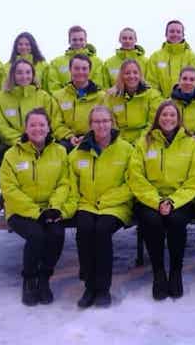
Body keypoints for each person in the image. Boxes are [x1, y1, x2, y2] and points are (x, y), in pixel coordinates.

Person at [128, 101, 195, 300]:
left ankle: (176, 272)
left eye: (172, 115)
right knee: (151, 222)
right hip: (150, 198)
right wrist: (156, 201)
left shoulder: (190, 143)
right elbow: (136, 177)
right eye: (164, 115)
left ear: (179, 119)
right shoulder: (144, 142)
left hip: (179, 198)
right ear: (157, 118)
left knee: (177, 221)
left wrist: (172, 201)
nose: (168, 119)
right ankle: (159, 272)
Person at [0, 108, 71, 306]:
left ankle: (44, 278)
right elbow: (9, 189)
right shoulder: (12, 155)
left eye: (42, 124)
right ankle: (29, 278)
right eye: (33, 125)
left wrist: (54, 207)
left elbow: (64, 182)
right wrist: (36, 212)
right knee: (37, 235)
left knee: (56, 234)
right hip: (21, 211)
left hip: (50, 208)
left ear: (48, 128)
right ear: (26, 128)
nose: (37, 128)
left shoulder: (60, 151)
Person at [68, 106, 135, 308]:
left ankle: (103, 288)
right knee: (85, 229)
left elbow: (132, 183)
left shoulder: (126, 149)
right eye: (97, 121)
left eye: (105, 121)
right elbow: (70, 183)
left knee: (102, 230)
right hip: (87, 203)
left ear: (112, 123)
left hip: (115, 205)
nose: (101, 125)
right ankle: (89, 286)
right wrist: (75, 204)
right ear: (90, 125)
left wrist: (106, 201)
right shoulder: (79, 152)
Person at [0, 59, 65, 152]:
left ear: (33, 75)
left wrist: (40, 139)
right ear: (13, 75)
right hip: (11, 145)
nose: (24, 76)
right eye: (19, 73)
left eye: (28, 72)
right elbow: (2, 127)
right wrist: (21, 141)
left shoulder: (44, 96)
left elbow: (54, 120)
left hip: (41, 143)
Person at [52, 54, 106, 152]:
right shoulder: (58, 96)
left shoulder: (102, 97)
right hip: (67, 141)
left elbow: (106, 122)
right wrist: (69, 136)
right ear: (70, 70)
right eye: (76, 68)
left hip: (95, 140)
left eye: (84, 68)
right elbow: (56, 123)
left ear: (89, 71)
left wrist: (90, 136)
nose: (80, 72)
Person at [104, 59, 163, 143]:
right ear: (121, 76)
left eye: (135, 72)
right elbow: (111, 123)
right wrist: (121, 142)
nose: (131, 76)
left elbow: (153, 122)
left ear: (140, 75)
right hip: (119, 141)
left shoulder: (153, 95)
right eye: (127, 73)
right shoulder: (111, 97)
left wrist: (140, 141)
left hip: (146, 140)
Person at [146, 20, 195, 97]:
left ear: (183, 35)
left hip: (186, 103)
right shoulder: (155, 57)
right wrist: (161, 103)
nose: (175, 34)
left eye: (178, 32)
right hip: (161, 104)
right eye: (172, 31)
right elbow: (151, 84)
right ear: (166, 34)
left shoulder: (192, 57)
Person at [47, 25, 105, 92]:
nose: (78, 42)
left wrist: (82, 97)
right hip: (64, 101)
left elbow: (98, 84)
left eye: (81, 39)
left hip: (90, 100)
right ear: (69, 41)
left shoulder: (97, 62)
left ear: (86, 41)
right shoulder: (56, 63)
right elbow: (54, 87)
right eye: (74, 40)